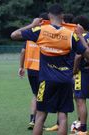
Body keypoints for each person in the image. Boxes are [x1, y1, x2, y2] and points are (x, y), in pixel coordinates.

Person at [11, 4, 89, 135]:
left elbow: (14, 35)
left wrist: (32, 25)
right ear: (62, 16)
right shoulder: (70, 35)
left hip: (46, 80)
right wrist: (80, 36)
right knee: (63, 116)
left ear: (48, 16)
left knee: (40, 116)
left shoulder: (41, 30)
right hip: (65, 80)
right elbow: (87, 55)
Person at [18, 12, 48, 130]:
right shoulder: (46, 34)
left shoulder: (30, 34)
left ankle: (32, 120)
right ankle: (39, 121)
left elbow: (23, 52)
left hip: (31, 68)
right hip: (43, 69)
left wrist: (21, 67)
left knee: (36, 94)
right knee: (43, 96)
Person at [71, 15, 89, 134]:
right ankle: (79, 123)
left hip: (82, 72)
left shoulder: (80, 37)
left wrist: (74, 71)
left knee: (80, 99)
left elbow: (78, 56)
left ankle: (83, 128)